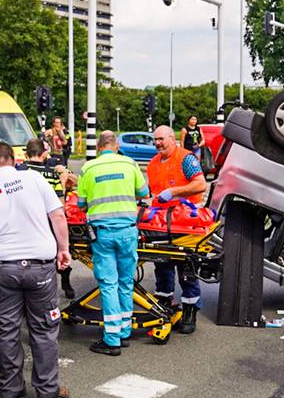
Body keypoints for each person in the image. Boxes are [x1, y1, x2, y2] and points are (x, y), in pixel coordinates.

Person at [0, 142, 72, 398]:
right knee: (44, 329)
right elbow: (58, 216)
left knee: (6, 330)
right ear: (14, 160)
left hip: (5, 270)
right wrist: (63, 250)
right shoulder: (34, 179)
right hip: (40, 267)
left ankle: (10, 388)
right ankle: (47, 391)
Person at [77, 130, 149, 355]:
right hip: (128, 232)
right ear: (116, 146)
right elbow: (144, 193)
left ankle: (112, 339)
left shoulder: (88, 168)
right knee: (126, 282)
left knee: (109, 284)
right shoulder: (130, 164)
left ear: (99, 147)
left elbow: (81, 204)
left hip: (103, 234)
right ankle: (124, 331)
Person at [146, 125, 208, 333]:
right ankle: (165, 304)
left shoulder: (186, 159)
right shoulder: (153, 164)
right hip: (163, 222)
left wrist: (173, 192)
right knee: (162, 264)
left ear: (172, 139)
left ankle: (190, 310)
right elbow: (151, 191)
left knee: (186, 266)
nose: (158, 143)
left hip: (185, 221)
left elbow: (200, 185)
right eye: (155, 140)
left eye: (161, 139)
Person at [19, 138, 78, 298]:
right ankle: (65, 283)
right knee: (58, 253)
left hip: (23, 222)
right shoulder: (51, 174)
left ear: (26, 154)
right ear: (44, 154)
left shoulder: (18, 171)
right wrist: (63, 181)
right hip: (47, 223)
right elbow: (59, 204)